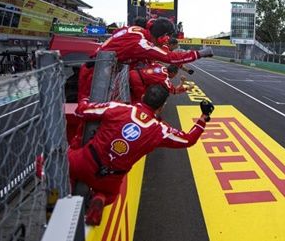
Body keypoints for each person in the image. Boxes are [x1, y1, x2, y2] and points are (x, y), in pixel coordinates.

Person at [68, 84, 215, 225]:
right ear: (161, 107)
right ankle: (100, 197)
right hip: (110, 178)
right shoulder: (160, 130)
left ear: (143, 96)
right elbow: (188, 139)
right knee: (111, 195)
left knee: (60, 162)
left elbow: (82, 111)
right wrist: (203, 117)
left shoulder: (119, 108)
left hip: (86, 160)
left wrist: (85, 99)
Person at [77, 17, 213, 100]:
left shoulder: (136, 30)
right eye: (166, 37)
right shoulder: (141, 42)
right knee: (89, 119)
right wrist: (201, 53)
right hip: (96, 75)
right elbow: (170, 58)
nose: (166, 42)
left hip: (98, 69)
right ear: (162, 36)